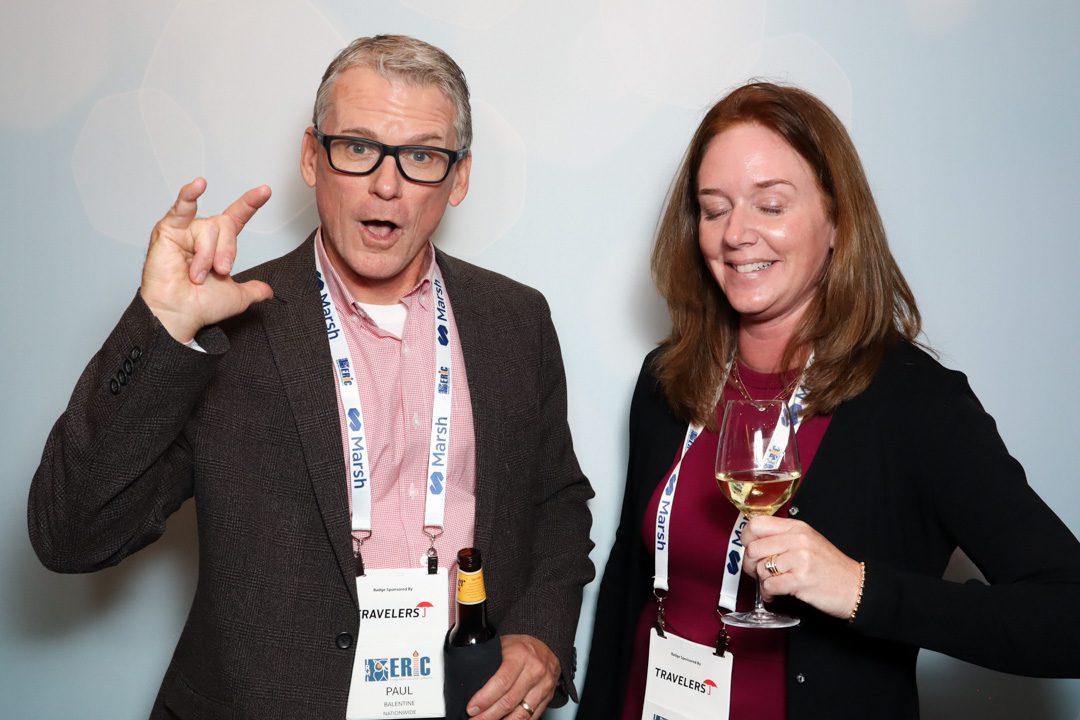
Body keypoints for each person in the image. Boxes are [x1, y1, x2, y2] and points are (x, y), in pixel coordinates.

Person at [29, 34, 593, 720]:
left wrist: (541, 632)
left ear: (459, 178)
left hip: (461, 703)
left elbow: (557, 502)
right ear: (311, 156)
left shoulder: (517, 319)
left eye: (421, 156)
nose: (387, 184)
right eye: (357, 147)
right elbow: (70, 536)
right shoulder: (226, 322)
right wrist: (162, 329)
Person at [577, 82, 1080, 719]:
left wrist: (860, 589)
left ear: (838, 221)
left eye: (771, 205)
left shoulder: (916, 404)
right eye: (714, 208)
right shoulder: (668, 379)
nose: (736, 234)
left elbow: (1067, 614)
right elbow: (628, 589)